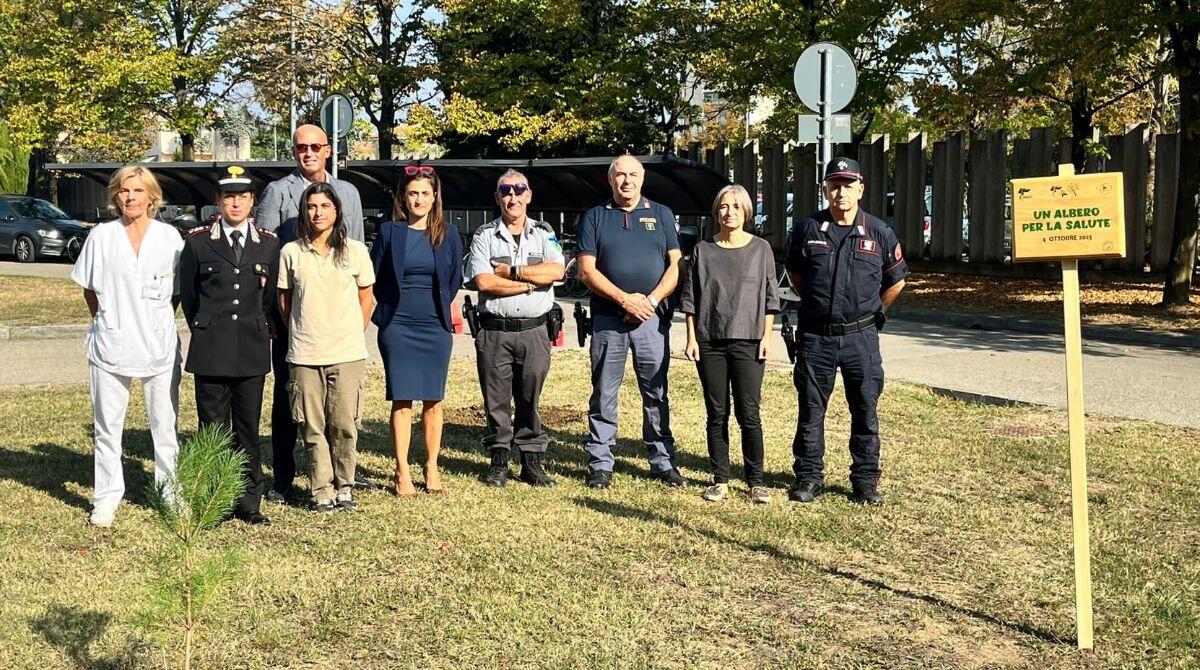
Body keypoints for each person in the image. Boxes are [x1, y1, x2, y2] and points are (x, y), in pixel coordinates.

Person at [786, 158, 907, 506]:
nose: (840, 191)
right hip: (816, 337)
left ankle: (865, 481)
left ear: (860, 189)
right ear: (825, 189)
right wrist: (817, 303)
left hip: (861, 339)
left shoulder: (879, 232)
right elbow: (795, 276)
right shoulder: (807, 229)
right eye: (834, 184)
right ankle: (808, 476)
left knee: (865, 409)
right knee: (811, 410)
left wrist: (877, 312)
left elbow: (896, 279)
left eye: (847, 184)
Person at [254, 124, 365, 502]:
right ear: (294, 151)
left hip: (337, 320)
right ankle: (284, 476)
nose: (309, 152)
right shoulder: (277, 192)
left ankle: (341, 476)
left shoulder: (348, 192)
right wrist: (277, 317)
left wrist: (354, 322)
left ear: (328, 150)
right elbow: (266, 254)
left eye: (316, 146)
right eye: (302, 147)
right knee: (291, 402)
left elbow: (357, 254)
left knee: (340, 408)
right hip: (295, 318)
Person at [70, 165, 184, 527]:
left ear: (152, 197)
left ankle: (170, 493)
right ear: (115, 197)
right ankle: (106, 498)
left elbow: (177, 293)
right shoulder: (102, 237)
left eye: (137, 191)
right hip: (111, 344)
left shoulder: (170, 239)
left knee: (164, 426)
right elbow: (90, 289)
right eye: (123, 191)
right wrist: (105, 320)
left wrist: (156, 320)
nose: (131, 197)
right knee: (107, 427)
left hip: (159, 345)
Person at [577, 154, 685, 489]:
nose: (627, 181)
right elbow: (586, 271)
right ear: (609, 180)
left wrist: (650, 301)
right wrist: (625, 299)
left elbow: (676, 266)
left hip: (651, 319)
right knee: (604, 393)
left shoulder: (661, 214)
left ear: (642, 178)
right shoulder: (595, 217)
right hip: (609, 319)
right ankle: (600, 463)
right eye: (620, 175)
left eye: (633, 175)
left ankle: (662, 461)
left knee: (655, 391)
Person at [179, 166, 279, 525]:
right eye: (228, 197)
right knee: (213, 429)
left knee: (248, 428)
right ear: (218, 201)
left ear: (252, 201)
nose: (235, 203)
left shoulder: (268, 243)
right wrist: (207, 328)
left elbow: (269, 300)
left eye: (242, 197)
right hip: (211, 347)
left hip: (251, 347)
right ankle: (215, 500)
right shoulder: (197, 241)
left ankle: (249, 501)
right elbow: (190, 299)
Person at [277, 183, 375, 513]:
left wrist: (349, 331)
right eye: (311, 206)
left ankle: (345, 485)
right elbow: (285, 301)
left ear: (336, 211)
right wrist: (305, 330)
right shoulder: (291, 252)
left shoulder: (355, 251)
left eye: (325, 206)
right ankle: (321, 488)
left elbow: (367, 298)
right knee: (312, 426)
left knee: (345, 425)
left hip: (347, 354)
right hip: (305, 355)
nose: (318, 213)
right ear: (304, 212)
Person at [682, 184, 780, 504]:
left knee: (749, 412)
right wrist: (691, 339)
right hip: (709, 341)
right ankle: (720, 479)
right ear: (716, 212)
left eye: (737, 207)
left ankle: (756, 481)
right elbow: (691, 299)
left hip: (750, 341)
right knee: (716, 412)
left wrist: (767, 337)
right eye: (724, 207)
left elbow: (769, 298)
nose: (730, 213)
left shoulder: (761, 249)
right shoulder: (703, 250)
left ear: (747, 212)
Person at [466, 169, 564, 488]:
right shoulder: (483, 235)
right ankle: (499, 460)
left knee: (529, 397)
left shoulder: (544, 232)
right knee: (496, 399)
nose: (513, 196)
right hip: (495, 330)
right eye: (506, 190)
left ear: (529, 195)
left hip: (535, 330)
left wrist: (513, 272)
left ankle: (531, 461)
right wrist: (529, 284)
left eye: (519, 190)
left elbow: (557, 270)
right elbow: (484, 282)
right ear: (497, 198)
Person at [370, 165, 462, 498]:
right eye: (413, 193)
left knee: (434, 401)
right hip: (398, 325)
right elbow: (375, 277)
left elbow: (454, 279)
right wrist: (388, 314)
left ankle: (432, 465)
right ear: (403, 197)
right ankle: (402, 469)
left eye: (425, 193)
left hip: (435, 325)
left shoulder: (448, 233)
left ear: (435, 196)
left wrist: (436, 308)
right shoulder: (389, 232)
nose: (419, 199)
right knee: (402, 400)